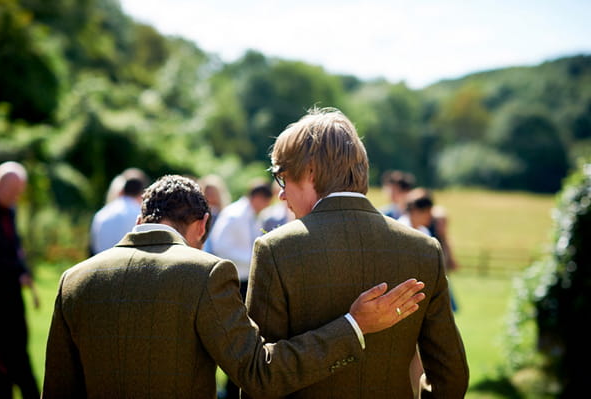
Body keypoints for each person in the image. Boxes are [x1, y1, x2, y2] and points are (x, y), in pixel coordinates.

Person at [43, 174, 426, 398]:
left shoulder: (73, 280)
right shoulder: (205, 274)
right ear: (202, 226)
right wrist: (354, 325)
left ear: (143, 216)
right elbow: (261, 372)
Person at [245, 107, 469, 398]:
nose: (282, 194)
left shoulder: (275, 250)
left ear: (311, 171)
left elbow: (259, 375)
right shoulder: (424, 249)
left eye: (283, 178)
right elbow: (451, 377)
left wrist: (350, 328)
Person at [0, 161, 40, 399]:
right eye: (13, 191)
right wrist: (15, 271)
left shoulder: (10, 211)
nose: (16, 197)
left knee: (18, 351)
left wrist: (24, 271)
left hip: (11, 296)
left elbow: (14, 248)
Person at [207, 179, 273, 297]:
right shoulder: (234, 215)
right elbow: (219, 246)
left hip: (245, 276)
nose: (266, 206)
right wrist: (252, 258)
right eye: (266, 202)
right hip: (232, 278)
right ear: (258, 198)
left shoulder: (254, 215)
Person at [89, 168, 149, 255]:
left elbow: (93, 246)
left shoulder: (101, 214)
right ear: (142, 193)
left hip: (100, 264)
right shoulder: (140, 215)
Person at [198, 174, 231, 253]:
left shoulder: (225, 213)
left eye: (212, 192)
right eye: (207, 192)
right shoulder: (198, 211)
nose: (210, 195)